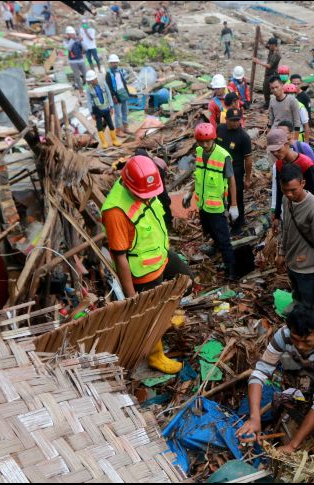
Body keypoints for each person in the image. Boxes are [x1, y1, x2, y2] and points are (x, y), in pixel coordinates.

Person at [101, 155, 193, 374]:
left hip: (160, 255)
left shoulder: (142, 183)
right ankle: (155, 355)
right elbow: (119, 256)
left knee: (186, 279)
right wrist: (132, 295)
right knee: (150, 315)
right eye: (142, 196)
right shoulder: (115, 212)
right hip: (143, 271)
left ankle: (167, 316)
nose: (147, 199)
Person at [237, 304, 314, 451]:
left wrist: (293, 445)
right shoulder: (283, 335)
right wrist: (254, 417)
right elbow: (260, 372)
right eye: (295, 339)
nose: (299, 346)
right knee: (311, 402)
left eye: (306, 341)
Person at [182, 123, 239, 281]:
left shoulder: (223, 155)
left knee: (224, 239)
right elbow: (198, 174)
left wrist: (233, 204)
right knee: (209, 231)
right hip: (202, 204)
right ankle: (215, 248)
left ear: (214, 139)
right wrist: (189, 192)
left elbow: (231, 180)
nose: (205, 145)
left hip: (217, 207)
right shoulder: (199, 152)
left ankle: (231, 270)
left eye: (208, 141)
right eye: (201, 142)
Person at [277, 165, 314, 306]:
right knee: (298, 301)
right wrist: (282, 252)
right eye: (285, 190)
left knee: (310, 308)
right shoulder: (286, 200)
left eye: (293, 190)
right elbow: (286, 228)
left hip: (310, 270)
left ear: (303, 183)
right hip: (293, 265)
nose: (289, 194)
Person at [268, 129, 314, 227]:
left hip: (307, 208)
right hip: (290, 208)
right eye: (273, 151)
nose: (275, 154)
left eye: (278, 150)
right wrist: (276, 215)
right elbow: (279, 190)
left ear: (287, 144)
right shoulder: (279, 164)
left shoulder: (306, 164)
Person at [216, 108, 252, 234]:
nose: (236, 123)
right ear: (226, 119)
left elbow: (248, 159)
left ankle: (237, 224)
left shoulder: (243, 137)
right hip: (218, 168)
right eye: (233, 120)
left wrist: (247, 178)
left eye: (238, 120)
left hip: (236, 170)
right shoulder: (220, 129)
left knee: (236, 197)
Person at [85, 70, 122, 149]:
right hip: (97, 111)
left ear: (96, 78)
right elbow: (89, 102)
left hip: (106, 109)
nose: (92, 82)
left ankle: (114, 140)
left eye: (93, 80)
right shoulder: (88, 90)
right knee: (99, 127)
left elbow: (109, 95)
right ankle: (104, 143)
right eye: (90, 81)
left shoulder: (103, 84)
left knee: (111, 125)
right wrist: (92, 113)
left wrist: (111, 106)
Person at [105, 54, 130, 138]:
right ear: (110, 64)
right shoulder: (108, 74)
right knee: (118, 114)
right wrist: (113, 96)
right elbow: (109, 87)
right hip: (116, 95)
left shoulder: (120, 71)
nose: (115, 64)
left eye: (116, 62)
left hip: (123, 93)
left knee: (125, 111)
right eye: (113, 63)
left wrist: (127, 92)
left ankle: (125, 127)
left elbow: (123, 83)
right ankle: (118, 131)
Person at [254, 37, 281, 108]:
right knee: (265, 89)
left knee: (273, 89)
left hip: (272, 75)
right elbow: (264, 44)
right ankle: (268, 103)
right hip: (268, 74)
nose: (269, 46)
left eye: (270, 45)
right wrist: (259, 35)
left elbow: (269, 66)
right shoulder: (271, 49)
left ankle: (273, 103)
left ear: (274, 45)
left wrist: (258, 61)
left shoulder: (276, 54)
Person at [64, 26, 88, 94]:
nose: (72, 35)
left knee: (86, 75)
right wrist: (72, 40)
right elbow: (68, 48)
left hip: (81, 60)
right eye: (70, 34)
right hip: (73, 62)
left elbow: (85, 48)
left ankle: (87, 86)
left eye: (73, 34)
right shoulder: (66, 41)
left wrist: (82, 41)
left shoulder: (79, 40)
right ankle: (81, 90)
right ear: (68, 34)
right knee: (77, 77)